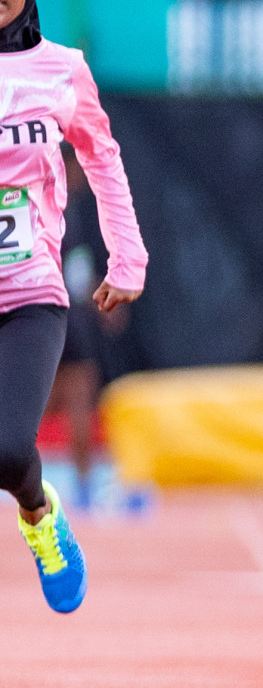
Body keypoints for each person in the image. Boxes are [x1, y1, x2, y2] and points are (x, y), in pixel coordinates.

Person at [0, 0, 147, 612]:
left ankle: (40, 516)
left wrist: (128, 257)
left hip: (31, 289)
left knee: (6, 451)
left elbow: (104, 159)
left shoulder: (62, 68)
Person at [48, 144, 129, 507]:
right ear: (66, 166)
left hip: (38, 312)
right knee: (78, 396)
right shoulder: (63, 207)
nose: (84, 176)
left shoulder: (41, 200)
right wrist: (103, 303)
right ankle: (83, 484)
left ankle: (81, 483)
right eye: (79, 168)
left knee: (50, 398)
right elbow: (76, 273)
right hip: (66, 313)